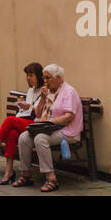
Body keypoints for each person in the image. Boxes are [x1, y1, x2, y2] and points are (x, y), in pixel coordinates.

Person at [13, 64, 84, 192]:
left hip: (67, 131)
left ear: (58, 78)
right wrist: (43, 98)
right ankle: (26, 175)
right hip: (50, 128)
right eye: (44, 77)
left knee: (40, 139)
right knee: (24, 137)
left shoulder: (68, 91)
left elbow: (69, 116)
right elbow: (39, 114)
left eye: (47, 78)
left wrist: (50, 123)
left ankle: (51, 178)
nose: (44, 81)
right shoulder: (49, 92)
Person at [0, 62, 45, 185]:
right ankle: (8, 171)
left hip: (35, 124)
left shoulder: (44, 91)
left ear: (39, 76)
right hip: (25, 120)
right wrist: (23, 106)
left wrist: (29, 106)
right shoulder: (31, 91)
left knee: (9, 120)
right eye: (27, 75)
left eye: (31, 75)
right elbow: (28, 110)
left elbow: (39, 113)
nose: (28, 78)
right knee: (12, 133)